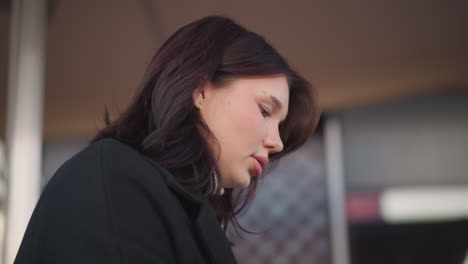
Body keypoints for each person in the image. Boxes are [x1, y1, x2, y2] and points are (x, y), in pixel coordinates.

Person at [14, 16, 320, 263]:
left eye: (280, 125)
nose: (277, 143)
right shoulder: (116, 177)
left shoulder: (165, 199)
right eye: (265, 110)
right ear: (200, 90)